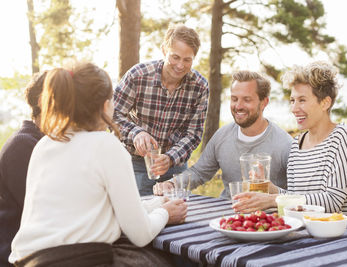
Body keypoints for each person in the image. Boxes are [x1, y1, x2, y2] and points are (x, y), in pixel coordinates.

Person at [9, 63, 187, 266]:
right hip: (77, 261)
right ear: (105, 105)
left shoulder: (45, 144)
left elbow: (89, 210)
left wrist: (155, 204)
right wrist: (165, 213)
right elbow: (141, 234)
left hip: (26, 261)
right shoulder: (106, 145)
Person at [234, 61, 347, 218]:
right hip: (310, 233)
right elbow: (295, 199)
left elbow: (333, 201)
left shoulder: (343, 136)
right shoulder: (297, 144)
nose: (294, 109)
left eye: (302, 100)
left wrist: (272, 199)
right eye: (292, 100)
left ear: (325, 103)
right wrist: (271, 188)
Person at [154, 70, 293, 199]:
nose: (238, 106)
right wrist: (172, 184)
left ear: (264, 103)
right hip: (225, 215)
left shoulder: (285, 144)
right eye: (234, 99)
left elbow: (297, 196)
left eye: (247, 99)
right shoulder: (222, 135)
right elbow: (199, 172)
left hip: (267, 220)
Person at [113, 24, 209, 196]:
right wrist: (136, 133)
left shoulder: (200, 87)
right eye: (175, 57)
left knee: (178, 219)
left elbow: (194, 134)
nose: (180, 65)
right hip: (135, 165)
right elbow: (113, 114)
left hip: (174, 169)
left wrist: (170, 158)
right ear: (165, 50)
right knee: (136, 219)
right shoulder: (138, 75)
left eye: (187, 60)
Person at [0, 72, 46, 266]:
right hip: (15, 253)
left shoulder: (43, 142)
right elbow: (40, 209)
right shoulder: (23, 145)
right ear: (45, 102)